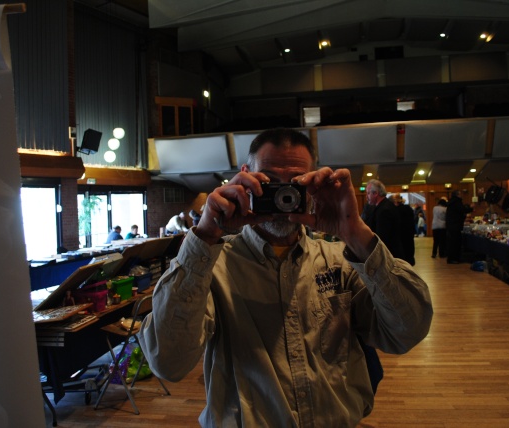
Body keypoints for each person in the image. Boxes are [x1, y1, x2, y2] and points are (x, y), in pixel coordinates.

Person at [139, 128, 433, 427]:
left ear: (313, 184)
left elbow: (408, 330)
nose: (282, 197)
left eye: (294, 185)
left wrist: (354, 231)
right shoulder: (211, 266)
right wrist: (204, 234)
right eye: (268, 183)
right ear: (244, 176)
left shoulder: (340, 262)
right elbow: (168, 363)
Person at [361, 179, 404, 260]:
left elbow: (382, 239)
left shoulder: (384, 210)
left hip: (389, 256)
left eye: (368, 193)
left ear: (376, 193)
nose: (366, 196)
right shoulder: (385, 206)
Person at [445, 190, 474, 264]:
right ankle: (454, 258)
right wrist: (470, 208)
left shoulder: (451, 202)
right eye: (460, 193)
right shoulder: (457, 202)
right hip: (455, 226)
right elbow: (462, 210)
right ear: (458, 195)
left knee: (452, 243)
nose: (462, 195)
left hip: (451, 225)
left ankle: (451, 258)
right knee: (456, 243)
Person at [390, 193, 415, 265]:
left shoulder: (394, 210)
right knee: (409, 254)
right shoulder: (408, 209)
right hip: (408, 235)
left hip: (399, 236)